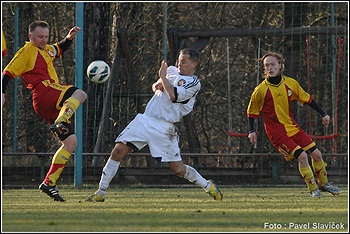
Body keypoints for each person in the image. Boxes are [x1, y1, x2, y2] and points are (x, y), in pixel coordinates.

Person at [85, 48, 223, 202]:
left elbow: (173, 95)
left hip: (165, 128)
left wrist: (163, 77)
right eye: (179, 59)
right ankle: (100, 193)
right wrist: (158, 84)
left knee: (177, 169)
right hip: (145, 120)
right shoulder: (171, 70)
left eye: (184, 61)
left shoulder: (194, 83)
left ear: (194, 63)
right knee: (117, 152)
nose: (179, 63)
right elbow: (157, 86)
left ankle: (207, 185)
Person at [2, 20, 87, 202]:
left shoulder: (46, 49)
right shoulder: (27, 51)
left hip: (48, 100)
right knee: (80, 93)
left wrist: (68, 38)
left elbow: (58, 49)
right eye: (40, 37)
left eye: (46, 36)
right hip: (44, 92)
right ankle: (62, 120)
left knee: (71, 143)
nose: (43, 40)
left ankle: (49, 183)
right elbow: (7, 72)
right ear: (30, 36)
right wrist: (1, 92)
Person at [247, 51, 342, 197]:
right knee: (302, 156)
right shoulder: (260, 90)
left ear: (280, 65)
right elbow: (252, 111)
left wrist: (323, 114)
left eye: (273, 64)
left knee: (317, 154)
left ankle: (324, 184)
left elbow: (308, 99)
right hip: (276, 132)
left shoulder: (291, 83)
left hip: (292, 127)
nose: (270, 68)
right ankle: (313, 190)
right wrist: (252, 130)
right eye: (267, 65)